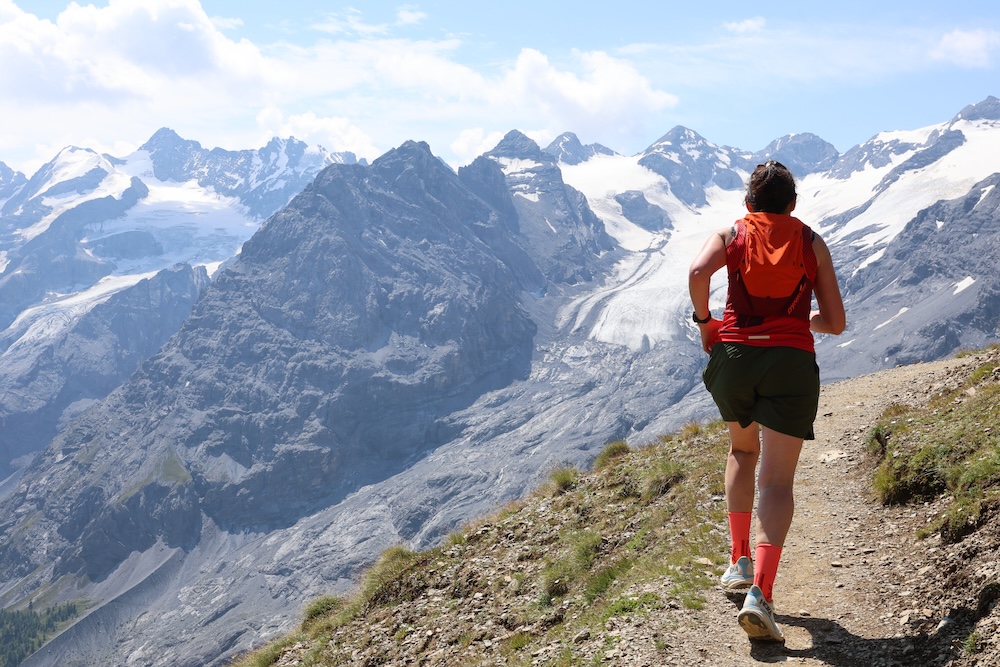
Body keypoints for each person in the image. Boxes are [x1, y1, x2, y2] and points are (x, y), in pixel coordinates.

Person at [687, 160, 846, 642]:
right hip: (791, 363)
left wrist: (706, 323)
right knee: (776, 481)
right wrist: (802, 324)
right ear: (793, 204)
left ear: (748, 202)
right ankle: (761, 592)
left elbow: (697, 271)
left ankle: (738, 559)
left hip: (734, 355)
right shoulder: (810, 242)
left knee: (741, 451)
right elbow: (836, 322)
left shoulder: (733, 233)